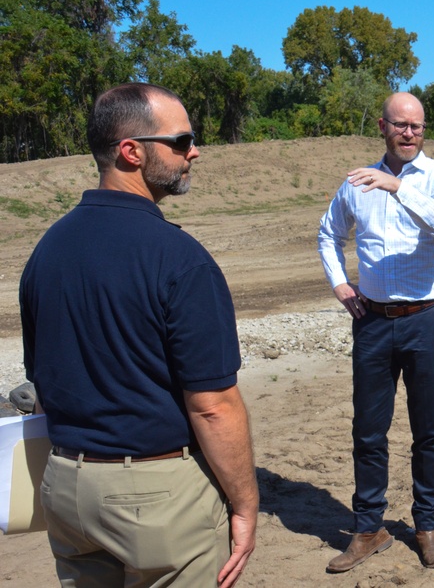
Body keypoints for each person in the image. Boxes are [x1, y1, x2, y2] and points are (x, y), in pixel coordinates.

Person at [19, 83, 258, 587]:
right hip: (156, 496)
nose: (194, 151)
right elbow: (213, 404)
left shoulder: (47, 250)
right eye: (181, 140)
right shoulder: (179, 258)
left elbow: (43, 383)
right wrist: (245, 504)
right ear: (131, 151)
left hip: (65, 486)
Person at [318, 92, 434, 572]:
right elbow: (328, 234)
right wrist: (340, 283)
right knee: (368, 430)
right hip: (374, 322)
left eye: (417, 126)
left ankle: (427, 526)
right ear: (382, 126)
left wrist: (399, 188)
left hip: (427, 319)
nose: (408, 133)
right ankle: (368, 528)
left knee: (429, 431)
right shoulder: (356, 184)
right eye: (400, 125)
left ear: (424, 130)